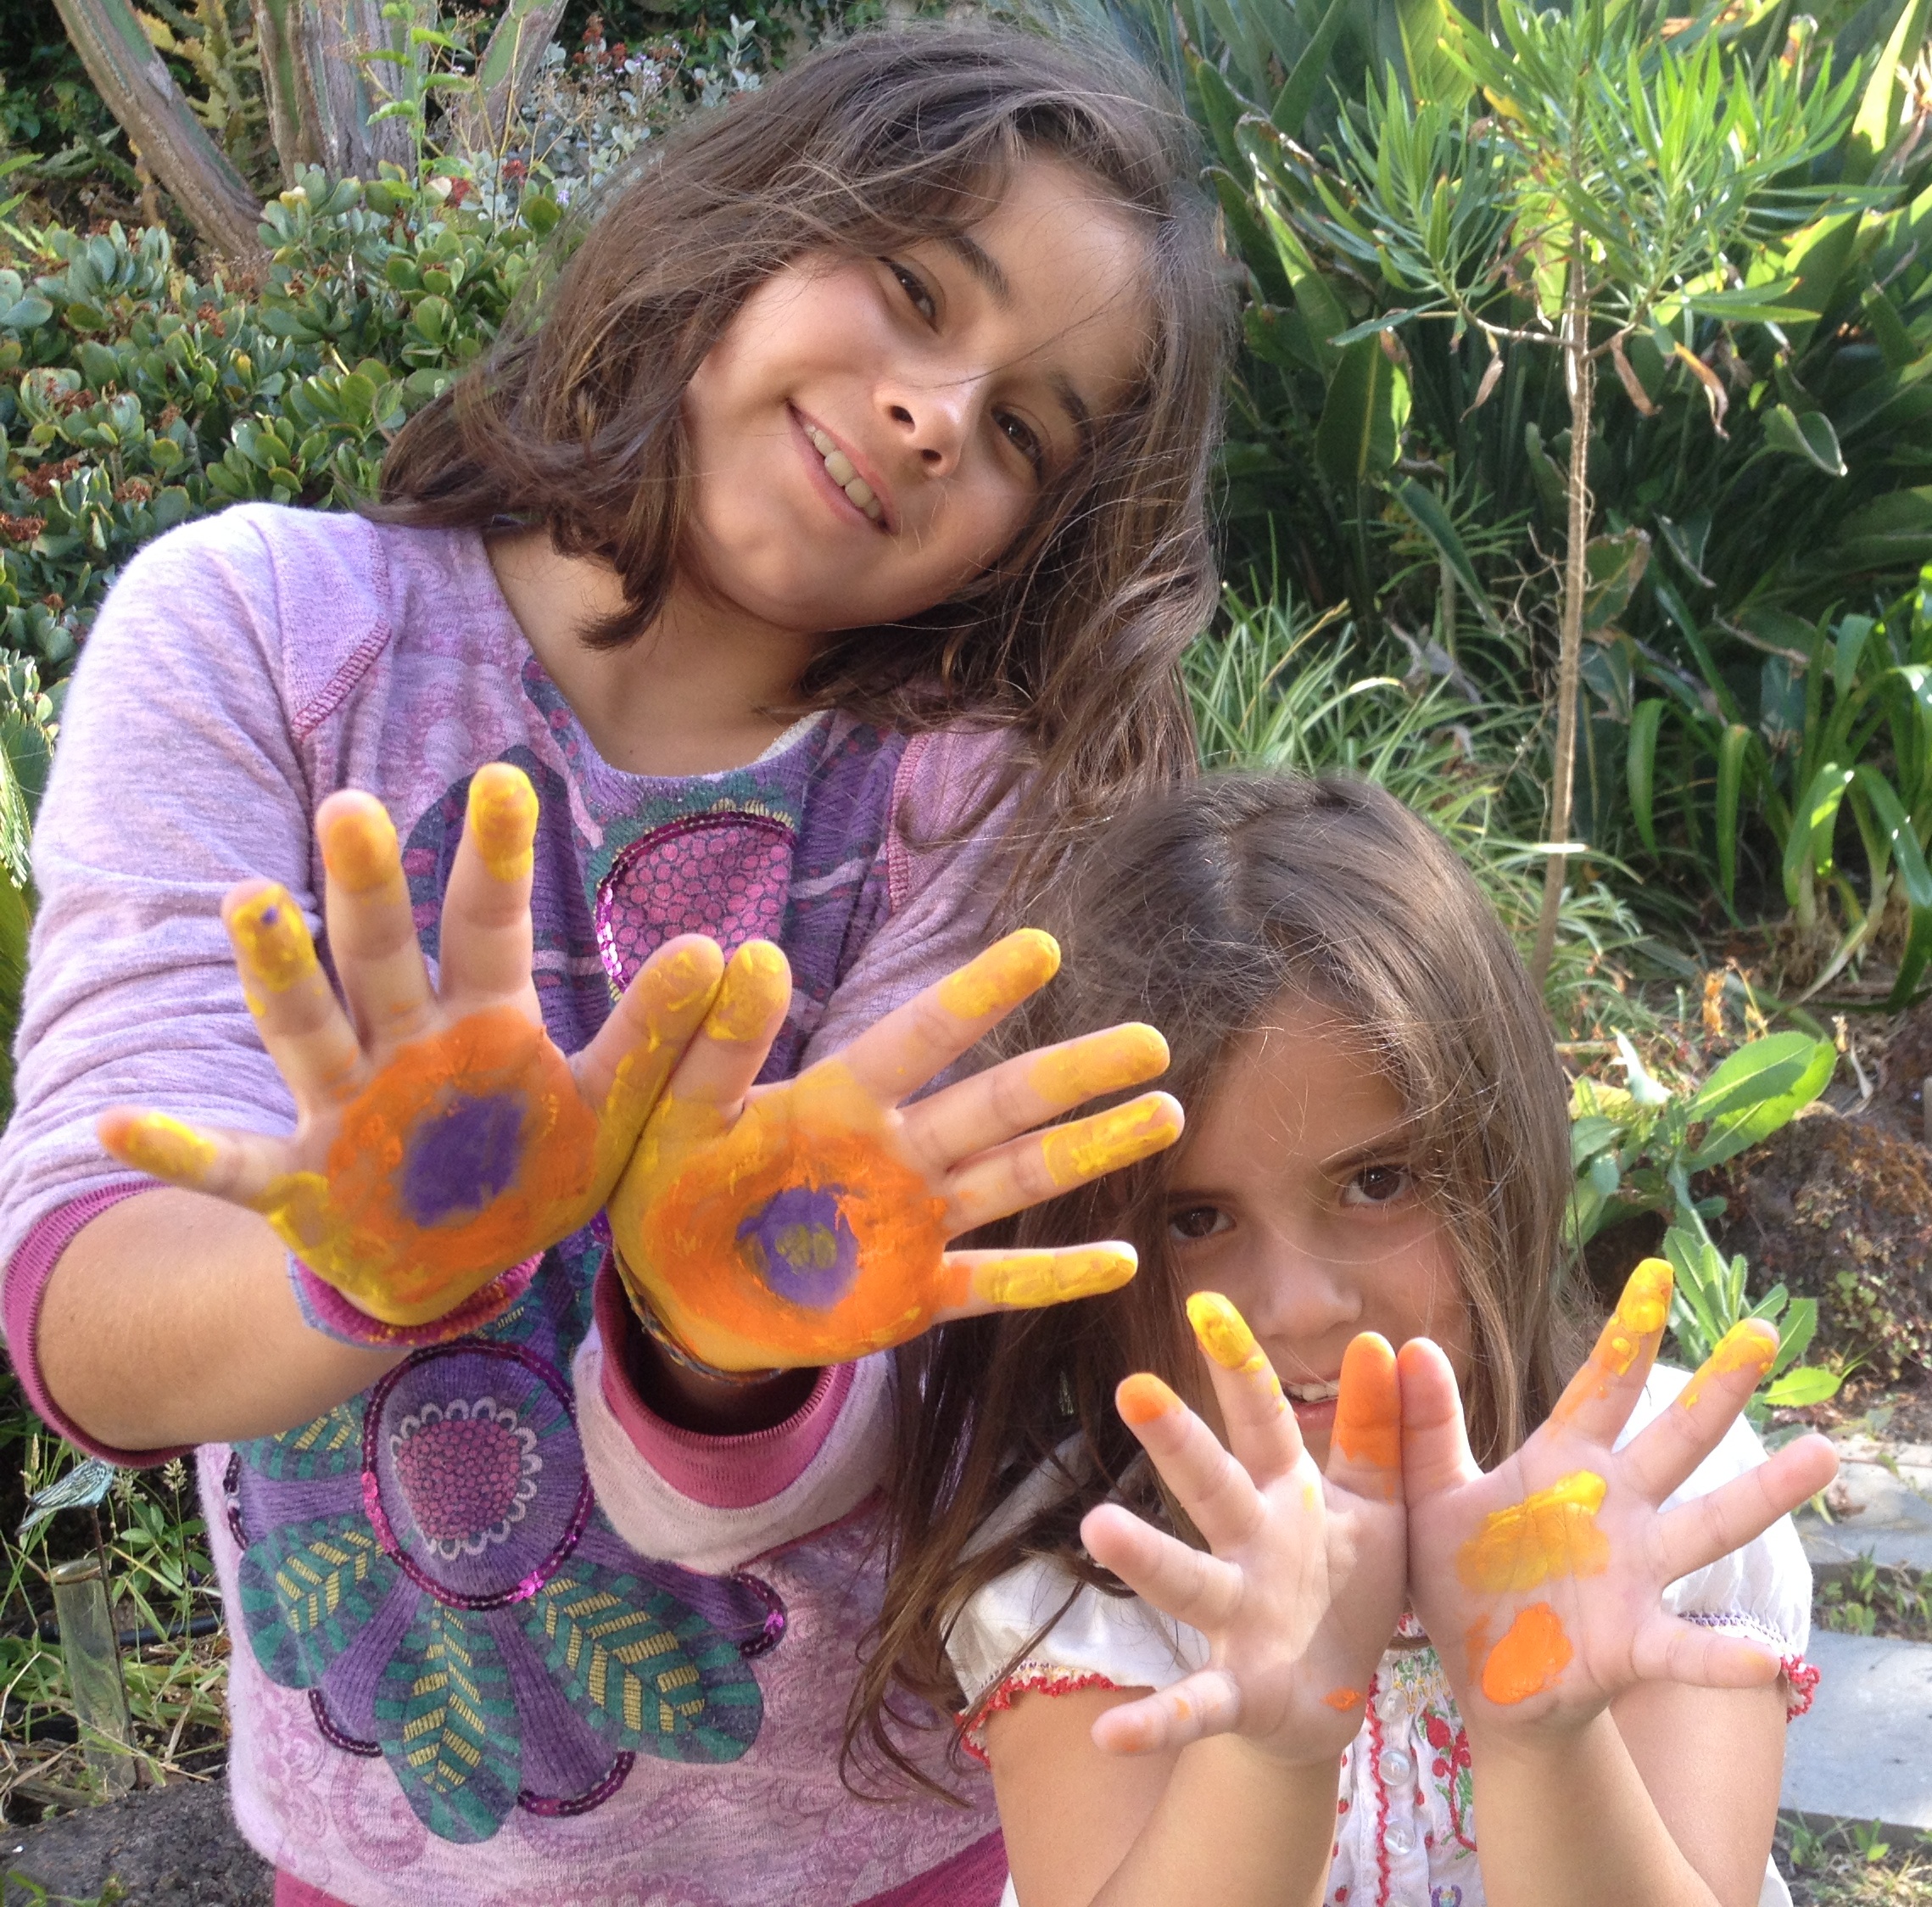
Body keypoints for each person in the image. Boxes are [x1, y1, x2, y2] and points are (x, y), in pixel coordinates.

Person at [0, 25, 1232, 1904]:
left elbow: (870, 1415)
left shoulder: (981, 792)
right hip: (389, 1866)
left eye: (1020, 432)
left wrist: (713, 1339)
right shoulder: (250, 629)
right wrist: (348, 1269)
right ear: (742, 229)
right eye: (911, 290)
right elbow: (89, 1305)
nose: (931, 410)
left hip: (876, 1857)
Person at [858, 775, 1840, 1907]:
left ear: (1499, 1160)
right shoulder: (1091, 1576)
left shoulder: (1660, 1512)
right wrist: (1270, 1751)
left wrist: (1541, 1736)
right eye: (1195, 1219)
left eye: (1376, 1182)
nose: (1299, 1303)